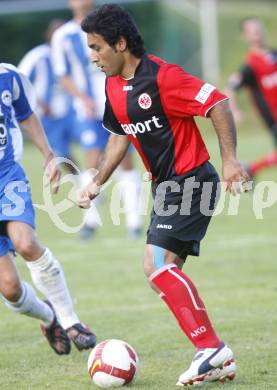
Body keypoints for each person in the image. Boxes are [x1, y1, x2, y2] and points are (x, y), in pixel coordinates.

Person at [77, 4, 250, 386]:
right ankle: (212, 354)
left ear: (121, 44)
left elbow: (217, 102)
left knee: (156, 264)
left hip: (191, 180)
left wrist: (232, 161)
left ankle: (212, 350)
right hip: (166, 187)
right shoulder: (113, 84)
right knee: (160, 273)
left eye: (97, 47)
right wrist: (97, 181)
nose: (93, 57)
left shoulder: (163, 77)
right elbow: (120, 132)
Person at [0, 63, 96, 355]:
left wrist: (47, 154)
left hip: (6, 177)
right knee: (10, 288)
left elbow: (26, 114)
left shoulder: (7, 76)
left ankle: (71, 321)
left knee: (27, 243)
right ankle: (49, 316)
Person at [51, 0, 142, 240]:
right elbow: (62, 75)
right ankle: (90, 221)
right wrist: (83, 98)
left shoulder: (109, 29)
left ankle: (134, 222)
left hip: (117, 104)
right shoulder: (63, 36)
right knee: (92, 161)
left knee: (125, 159)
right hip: (87, 111)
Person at [18, 20, 77, 174]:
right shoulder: (37, 57)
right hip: (48, 117)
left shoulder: (71, 54)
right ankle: (83, 180)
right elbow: (18, 82)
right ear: (49, 36)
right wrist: (39, 102)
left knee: (95, 143)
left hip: (73, 112)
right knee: (62, 152)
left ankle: (96, 177)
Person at [227, 17, 277, 178]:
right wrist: (234, 111)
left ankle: (251, 169)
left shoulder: (274, 55)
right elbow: (230, 88)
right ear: (245, 36)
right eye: (252, 30)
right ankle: (251, 169)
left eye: (259, 28)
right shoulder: (250, 66)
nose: (257, 33)